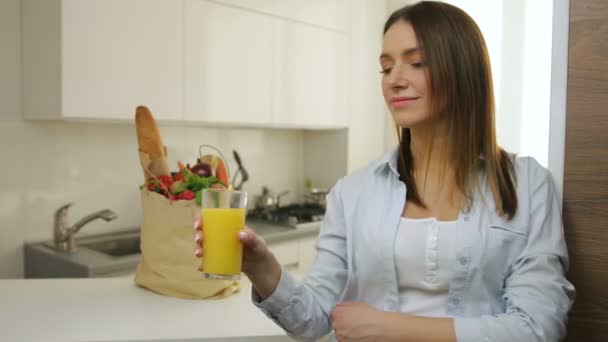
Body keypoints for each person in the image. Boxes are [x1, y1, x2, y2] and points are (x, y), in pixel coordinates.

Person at [194, 1, 575, 341]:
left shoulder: (526, 185)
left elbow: (537, 328)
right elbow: (312, 322)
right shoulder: (352, 192)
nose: (394, 79)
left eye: (417, 62)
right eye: (386, 67)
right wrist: (263, 269)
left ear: (462, 70)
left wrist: (392, 328)